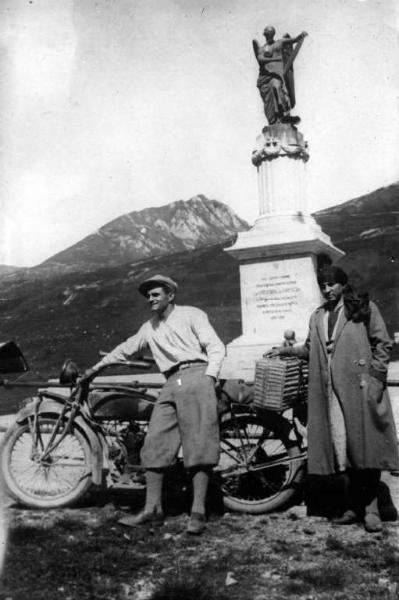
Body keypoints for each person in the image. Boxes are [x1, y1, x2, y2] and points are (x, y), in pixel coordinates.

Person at [83, 274, 225, 535]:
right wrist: (95, 369)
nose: (150, 299)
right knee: (155, 443)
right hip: (171, 382)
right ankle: (152, 509)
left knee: (198, 446)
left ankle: (198, 512)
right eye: (148, 296)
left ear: (171, 295)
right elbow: (126, 349)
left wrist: (210, 376)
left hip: (197, 375)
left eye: (156, 294)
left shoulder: (192, 314)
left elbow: (215, 345)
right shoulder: (150, 327)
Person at [267, 265, 399, 532]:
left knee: (365, 448)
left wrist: (375, 377)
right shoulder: (317, 316)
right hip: (328, 393)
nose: (327, 290)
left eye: (332, 284)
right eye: (323, 285)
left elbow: (383, 343)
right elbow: (308, 348)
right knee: (343, 449)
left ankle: (371, 509)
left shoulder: (363, 308)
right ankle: (353, 507)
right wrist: (284, 351)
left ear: (342, 284)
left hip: (359, 388)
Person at [253, 26, 307, 125]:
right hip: (265, 77)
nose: (269, 34)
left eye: (270, 32)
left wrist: (301, 36)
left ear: (273, 34)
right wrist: (274, 59)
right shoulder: (261, 48)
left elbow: (293, 40)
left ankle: (285, 114)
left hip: (276, 76)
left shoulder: (279, 42)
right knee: (269, 100)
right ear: (265, 34)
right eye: (267, 32)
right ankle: (274, 119)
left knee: (277, 87)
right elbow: (260, 59)